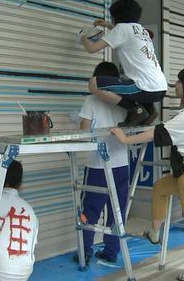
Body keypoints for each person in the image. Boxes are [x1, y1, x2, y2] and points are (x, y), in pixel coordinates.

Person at [112, 67, 184, 281]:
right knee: (160, 187)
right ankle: (155, 232)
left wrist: (125, 139)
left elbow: (155, 133)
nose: (174, 86)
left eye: (178, 83)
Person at [78, 0, 167, 126]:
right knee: (120, 85)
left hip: (143, 87)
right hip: (160, 87)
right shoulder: (142, 30)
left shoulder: (121, 29)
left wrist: (83, 36)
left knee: (94, 83)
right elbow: (125, 33)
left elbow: (91, 49)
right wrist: (108, 25)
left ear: (116, 17)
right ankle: (141, 109)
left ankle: (135, 110)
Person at [75, 62, 130, 264]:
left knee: (89, 210)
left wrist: (79, 121)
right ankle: (111, 251)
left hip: (98, 164)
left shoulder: (91, 99)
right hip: (122, 163)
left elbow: (84, 129)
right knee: (117, 209)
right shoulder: (124, 101)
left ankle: (85, 251)